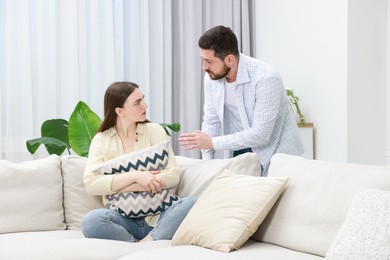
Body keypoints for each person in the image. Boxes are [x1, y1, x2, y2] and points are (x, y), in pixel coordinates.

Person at [178, 25, 304, 176]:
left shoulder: (266, 78)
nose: (204, 67)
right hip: (240, 148)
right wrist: (208, 165)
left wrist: (213, 142)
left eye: (209, 61)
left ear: (229, 59)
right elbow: (211, 121)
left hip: (277, 152)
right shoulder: (212, 78)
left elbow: (261, 134)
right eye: (203, 60)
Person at [81, 81, 196, 242]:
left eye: (143, 99)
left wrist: (118, 186)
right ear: (120, 111)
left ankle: (146, 242)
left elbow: (172, 175)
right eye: (137, 103)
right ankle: (141, 243)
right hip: (122, 219)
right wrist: (137, 177)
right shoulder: (101, 140)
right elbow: (91, 184)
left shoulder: (154, 131)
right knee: (90, 221)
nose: (145, 106)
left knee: (191, 203)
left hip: (160, 216)